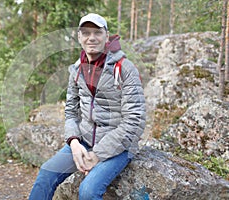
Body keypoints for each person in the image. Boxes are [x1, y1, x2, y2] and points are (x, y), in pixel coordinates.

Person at [28, 13, 146, 200]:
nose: (92, 38)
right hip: (83, 142)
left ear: (107, 36)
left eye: (97, 32)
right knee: (46, 173)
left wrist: (97, 155)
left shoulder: (124, 69)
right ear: (79, 37)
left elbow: (135, 120)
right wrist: (74, 142)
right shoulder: (76, 70)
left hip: (118, 146)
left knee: (88, 191)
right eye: (86, 33)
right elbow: (70, 112)